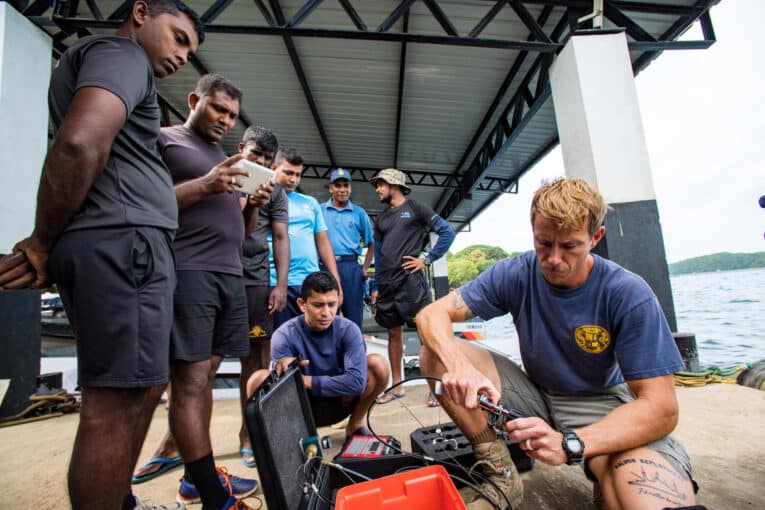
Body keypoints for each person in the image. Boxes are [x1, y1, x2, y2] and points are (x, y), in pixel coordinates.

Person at [0, 2, 203, 509]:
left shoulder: (117, 65)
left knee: (139, 389)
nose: (183, 55)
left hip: (123, 244)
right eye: (178, 37)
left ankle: (121, 502)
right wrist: (42, 240)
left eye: (191, 49)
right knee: (113, 405)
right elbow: (78, 143)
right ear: (140, 13)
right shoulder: (121, 53)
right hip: (123, 245)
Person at [416, 178, 697, 510]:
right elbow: (431, 314)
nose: (553, 259)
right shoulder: (516, 272)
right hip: (536, 394)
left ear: (595, 238)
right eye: (543, 243)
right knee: (434, 354)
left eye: (570, 246)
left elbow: (662, 408)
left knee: (633, 493)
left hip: (600, 404)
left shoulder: (627, 293)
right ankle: (501, 471)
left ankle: (605, 472)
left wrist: (572, 443)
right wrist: (461, 368)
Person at [143, 74, 267, 510]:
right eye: (218, 109)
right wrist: (206, 184)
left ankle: (199, 476)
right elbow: (145, 202)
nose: (225, 120)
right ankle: (212, 496)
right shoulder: (165, 140)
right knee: (191, 383)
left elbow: (244, 232)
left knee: (205, 379)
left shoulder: (221, 156)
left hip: (229, 274)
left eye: (232, 115)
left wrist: (250, 203)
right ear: (194, 100)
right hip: (189, 271)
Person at [246, 272, 389, 439]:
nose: (326, 313)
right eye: (318, 305)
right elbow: (277, 391)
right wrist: (284, 373)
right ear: (302, 304)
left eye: (331, 304)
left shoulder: (349, 330)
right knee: (258, 379)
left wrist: (305, 380)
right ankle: (282, 440)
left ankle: (355, 424)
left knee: (378, 364)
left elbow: (356, 383)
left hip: (340, 401)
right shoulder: (284, 335)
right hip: (299, 408)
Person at [370, 168, 455, 406]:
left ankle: (434, 388)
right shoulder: (382, 218)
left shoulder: (416, 208)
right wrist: (376, 286)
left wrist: (427, 259)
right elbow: (378, 252)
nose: (377, 189)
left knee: (425, 334)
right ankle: (397, 388)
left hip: (410, 283)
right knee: (392, 333)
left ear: (393, 185)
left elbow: (447, 232)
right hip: (386, 284)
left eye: (380, 185)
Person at [237, 125, 289, 468]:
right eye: (255, 154)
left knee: (256, 361)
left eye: (267, 159)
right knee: (195, 363)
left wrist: (280, 285)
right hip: (212, 275)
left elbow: (281, 237)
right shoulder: (218, 174)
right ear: (241, 148)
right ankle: (176, 442)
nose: (260, 162)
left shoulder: (275, 189)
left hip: (255, 279)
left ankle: (249, 433)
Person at [268, 148, 343, 328]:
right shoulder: (263, 199)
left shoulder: (310, 203)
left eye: (298, 175)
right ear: (273, 168)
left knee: (315, 338)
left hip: (310, 283)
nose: (293, 179)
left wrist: (336, 281)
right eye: (288, 173)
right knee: (277, 340)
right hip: (275, 282)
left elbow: (323, 243)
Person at [320, 168, 374, 329]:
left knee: (353, 318)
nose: (342, 190)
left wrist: (364, 268)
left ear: (350, 188)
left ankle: (354, 352)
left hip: (350, 267)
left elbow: (372, 243)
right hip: (324, 267)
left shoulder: (359, 213)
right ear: (331, 188)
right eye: (338, 186)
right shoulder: (320, 210)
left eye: (346, 186)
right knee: (326, 315)